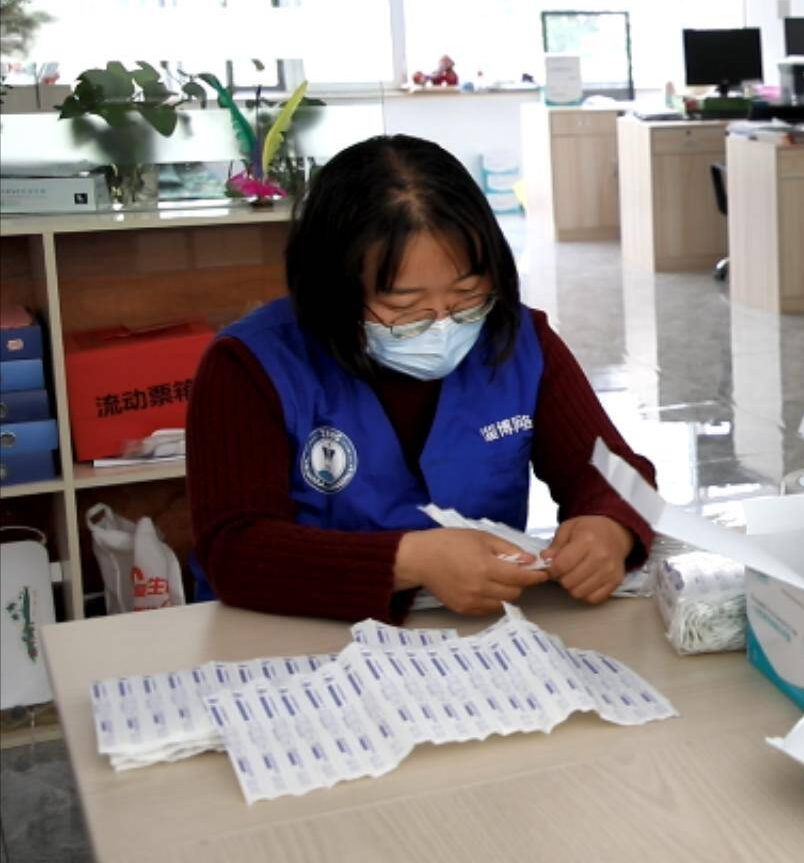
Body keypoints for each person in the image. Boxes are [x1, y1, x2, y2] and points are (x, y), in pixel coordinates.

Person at [187, 134, 657, 621]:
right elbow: (232, 548)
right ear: (334, 292)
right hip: (295, 636)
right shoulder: (249, 365)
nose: (442, 323)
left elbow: (617, 471)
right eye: (405, 307)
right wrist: (408, 562)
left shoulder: (516, 340)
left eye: (466, 295)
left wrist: (611, 526)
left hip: (481, 639)